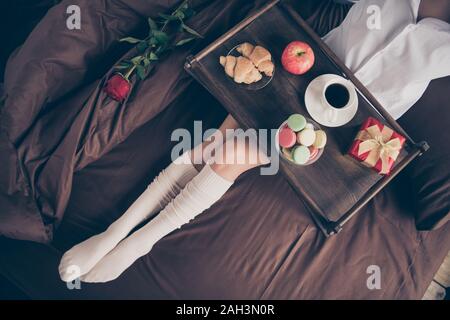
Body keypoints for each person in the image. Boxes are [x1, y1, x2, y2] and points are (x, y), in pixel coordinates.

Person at [59, 0, 450, 283]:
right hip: (304, 70)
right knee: (214, 144)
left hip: (347, 125)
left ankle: (139, 238)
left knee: (227, 151)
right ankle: (118, 233)